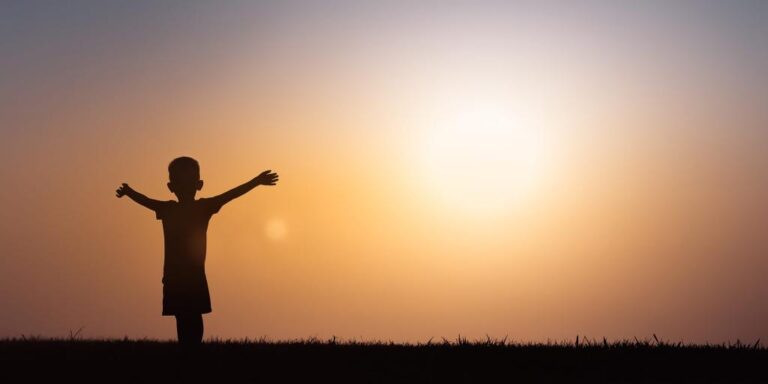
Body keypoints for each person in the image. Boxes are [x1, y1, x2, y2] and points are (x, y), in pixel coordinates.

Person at [115, 156, 278, 344]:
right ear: (172, 187)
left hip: (187, 274)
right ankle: (189, 351)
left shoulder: (188, 208)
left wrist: (256, 181)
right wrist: (129, 192)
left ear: (198, 184)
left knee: (189, 315)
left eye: (188, 183)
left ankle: (191, 351)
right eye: (181, 183)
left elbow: (230, 194)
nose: (184, 187)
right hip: (178, 275)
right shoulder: (185, 208)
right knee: (185, 315)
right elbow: (146, 201)